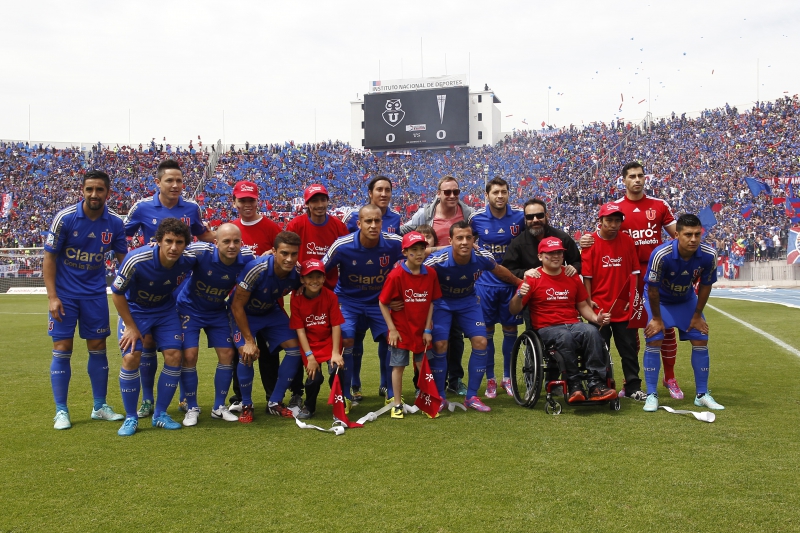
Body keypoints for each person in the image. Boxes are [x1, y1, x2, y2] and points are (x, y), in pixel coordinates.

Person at [580, 162, 680, 399]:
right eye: (632, 176)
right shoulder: (614, 211)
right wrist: (585, 241)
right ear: (623, 180)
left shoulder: (658, 206)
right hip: (621, 285)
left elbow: (678, 235)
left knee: (663, 327)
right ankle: (620, 383)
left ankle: (669, 377)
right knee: (628, 337)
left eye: (640, 176)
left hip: (654, 277)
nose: (637, 180)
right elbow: (598, 238)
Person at [123, 159, 214, 418]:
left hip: (180, 287)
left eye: (179, 181)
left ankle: (186, 398)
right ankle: (148, 400)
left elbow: (204, 234)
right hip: (150, 283)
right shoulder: (141, 207)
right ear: (158, 183)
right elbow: (122, 236)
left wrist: (227, 246)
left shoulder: (192, 208)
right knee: (148, 343)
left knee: (180, 346)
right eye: (169, 181)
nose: (175, 185)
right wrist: (127, 263)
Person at [44, 170, 128, 429]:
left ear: (107, 193)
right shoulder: (65, 219)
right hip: (65, 296)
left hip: (94, 295)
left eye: (99, 190)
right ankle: (61, 411)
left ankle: (99, 406)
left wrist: (127, 287)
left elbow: (123, 260)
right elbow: (49, 258)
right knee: (62, 349)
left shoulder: (114, 222)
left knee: (98, 348)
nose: (94, 194)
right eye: (89, 189)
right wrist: (52, 297)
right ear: (82, 190)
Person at [424, 221, 522, 412]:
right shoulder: (438, 259)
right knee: (440, 344)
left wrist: (520, 282)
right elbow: (415, 272)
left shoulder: (481, 256)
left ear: (474, 240)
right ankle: (440, 397)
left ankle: (472, 396)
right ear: (450, 240)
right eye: (459, 238)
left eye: (468, 238)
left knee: (481, 342)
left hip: (468, 301)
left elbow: (500, 271)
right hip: (442, 302)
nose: (464, 242)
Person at [111, 218, 196, 436]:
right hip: (136, 310)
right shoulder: (136, 259)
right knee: (130, 357)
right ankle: (131, 417)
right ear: (158, 241)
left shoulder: (188, 259)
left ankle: (160, 414)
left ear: (186, 244)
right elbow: (117, 293)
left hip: (165, 310)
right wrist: (130, 326)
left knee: (174, 356)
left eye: (179, 242)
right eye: (168, 241)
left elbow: (215, 252)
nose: (174, 247)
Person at [509, 237, 617, 404]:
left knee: (592, 331)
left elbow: (582, 306)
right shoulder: (532, 278)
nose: (555, 256)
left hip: (573, 323)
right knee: (564, 337)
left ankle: (596, 384)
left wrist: (597, 318)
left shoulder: (571, 275)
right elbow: (514, 309)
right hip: (547, 328)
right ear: (540, 256)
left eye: (559, 252)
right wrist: (519, 295)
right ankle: (574, 384)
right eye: (550, 253)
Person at [323, 204, 404, 408]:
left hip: (379, 303)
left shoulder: (394, 243)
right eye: (368, 221)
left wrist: (400, 293)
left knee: (391, 339)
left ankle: (390, 391)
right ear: (359, 224)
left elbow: (417, 259)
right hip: (348, 302)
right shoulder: (342, 245)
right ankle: (347, 393)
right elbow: (319, 269)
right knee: (347, 339)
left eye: (377, 221)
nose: (373, 225)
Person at [175, 223, 256, 426]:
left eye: (236, 241)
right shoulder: (200, 251)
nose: (231, 246)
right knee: (190, 355)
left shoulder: (246, 258)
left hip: (217, 310)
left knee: (227, 355)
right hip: (189, 309)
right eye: (226, 241)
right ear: (215, 242)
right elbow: (172, 256)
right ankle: (191, 407)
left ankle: (218, 407)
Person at [401, 176, 475, 397]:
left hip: (458, 285)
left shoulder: (469, 214)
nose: (452, 196)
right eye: (447, 192)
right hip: (429, 282)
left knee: (455, 336)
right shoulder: (425, 215)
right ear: (439, 193)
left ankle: (455, 379)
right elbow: (403, 233)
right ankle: (428, 381)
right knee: (430, 335)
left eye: (456, 192)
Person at [641, 214, 723, 412]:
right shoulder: (661, 254)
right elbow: (652, 288)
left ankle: (701, 395)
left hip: (685, 300)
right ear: (677, 234)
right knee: (655, 337)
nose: (693, 239)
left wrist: (697, 315)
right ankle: (651, 395)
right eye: (688, 234)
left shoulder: (709, 254)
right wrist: (657, 319)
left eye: (697, 234)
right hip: (659, 300)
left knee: (701, 337)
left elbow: (705, 286)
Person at [228, 231, 303, 423]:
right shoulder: (257, 269)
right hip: (245, 313)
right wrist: (248, 340)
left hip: (270, 311)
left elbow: (307, 290)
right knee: (246, 353)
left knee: (295, 350)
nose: (289, 259)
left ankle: (275, 402)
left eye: (294, 254)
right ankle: (246, 404)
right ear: (274, 252)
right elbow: (236, 306)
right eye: (284, 253)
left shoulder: (298, 272)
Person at [342, 176, 400, 401]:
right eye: (379, 189)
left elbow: (407, 256)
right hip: (352, 296)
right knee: (352, 339)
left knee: (389, 339)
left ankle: (386, 386)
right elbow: (342, 249)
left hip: (379, 297)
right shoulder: (353, 218)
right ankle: (353, 385)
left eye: (387, 190)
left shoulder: (395, 220)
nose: (384, 194)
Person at [227, 180, 283, 412]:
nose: (247, 204)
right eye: (242, 200)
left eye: (251, 200)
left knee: (270, 353)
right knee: (238, 353)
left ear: (257, 200)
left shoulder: (271, 228)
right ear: (235, 202)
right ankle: (240, 398)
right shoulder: (230, 229)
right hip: (240, 304)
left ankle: (273, 397)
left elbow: (284, 260)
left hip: (269, 303)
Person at [468, 177, 525, 398]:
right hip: (485, 286)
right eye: (495, 192)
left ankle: (507, 378)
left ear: (508, 194)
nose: (500, 196)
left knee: (511, 331)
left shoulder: (520, 217)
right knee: (488, 333)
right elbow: (466, 241)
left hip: (511, 284)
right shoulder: (476, 218)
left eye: (503, 192)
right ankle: (490, 379)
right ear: (487, 195)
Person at [581, 203, 645, 401]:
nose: (613, 225)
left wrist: (632, 299)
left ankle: (633, 387)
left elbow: (635, 273)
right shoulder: (590, 243)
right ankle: (603, 385)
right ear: (600, 222)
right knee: (598, 350)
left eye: (617, 221)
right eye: (609, 220)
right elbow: (587, 277)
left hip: (623, 308)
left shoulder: (627, 241)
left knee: (629, 350)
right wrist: (589, 301)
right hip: (599, 309)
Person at [378, 232, 441, 419]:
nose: (419, 253)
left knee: (423, 366)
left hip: (422, 331)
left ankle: (425, 401)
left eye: (422, 249)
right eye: (414, 250)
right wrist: (393, 330)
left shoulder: (431, 274)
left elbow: (431, 302)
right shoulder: (396, 275)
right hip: (402, 331)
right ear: (405, 252)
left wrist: (428, 329)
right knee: (398, 367)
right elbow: (382, 302)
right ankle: (397, 404)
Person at [289, 259, 345, 419]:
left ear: (324, 278)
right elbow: (300, 331)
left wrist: (335, 352)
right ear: (302, 279)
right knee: (315, 377)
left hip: (329, 342)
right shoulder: (296, 298)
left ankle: (339, 405)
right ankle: (309, 406)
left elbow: (336, 325)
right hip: (310, 345)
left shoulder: (331, 296)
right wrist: (309, 356)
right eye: (310, 277)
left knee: (336, 370)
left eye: (318, 276)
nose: (314, 281)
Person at [503, 198, 581, 280]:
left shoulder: (563, 238)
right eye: (530, 217)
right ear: (525, 219)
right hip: (530, 290)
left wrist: (574, 267)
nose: (535, 220)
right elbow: (507, 270)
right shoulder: (517, 243)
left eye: (539, 215)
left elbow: (578, 262)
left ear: (546, 215)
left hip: (559, 288)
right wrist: (524, 273)